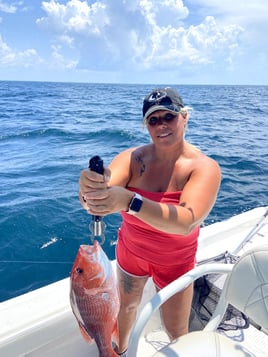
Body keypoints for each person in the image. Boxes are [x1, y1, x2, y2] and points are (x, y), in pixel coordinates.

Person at [79, 87, 221, 356]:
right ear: (146, 125)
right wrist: (89, 191)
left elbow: (186, 222)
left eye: (169, 116)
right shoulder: (133, 159)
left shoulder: (203, 167)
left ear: (185, 117)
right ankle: (116, 352)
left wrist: (130, 202)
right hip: (131, 253)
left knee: (176, 329)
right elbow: (99, 195)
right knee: (126, 308)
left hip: (176, 261)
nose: (161, 125)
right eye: (153, 120)